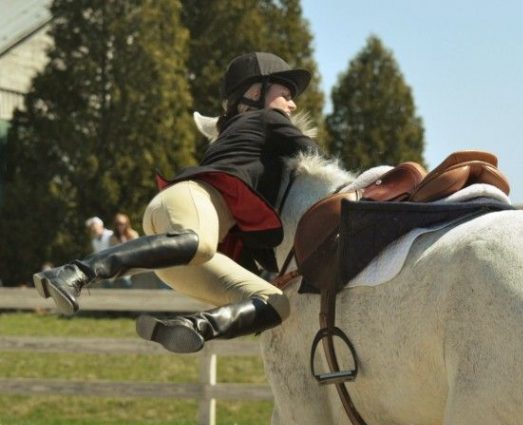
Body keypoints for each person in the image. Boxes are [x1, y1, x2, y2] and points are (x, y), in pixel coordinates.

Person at [33, 51, 319, 353]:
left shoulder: (238, 131)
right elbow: (316, 157)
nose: (293, 104)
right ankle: (75, 272)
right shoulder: (267, 118)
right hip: (190, 211)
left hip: (179, 255)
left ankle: (193, 327)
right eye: (285, 94)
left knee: (274, 303)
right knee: (200, 242)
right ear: (254, 92)